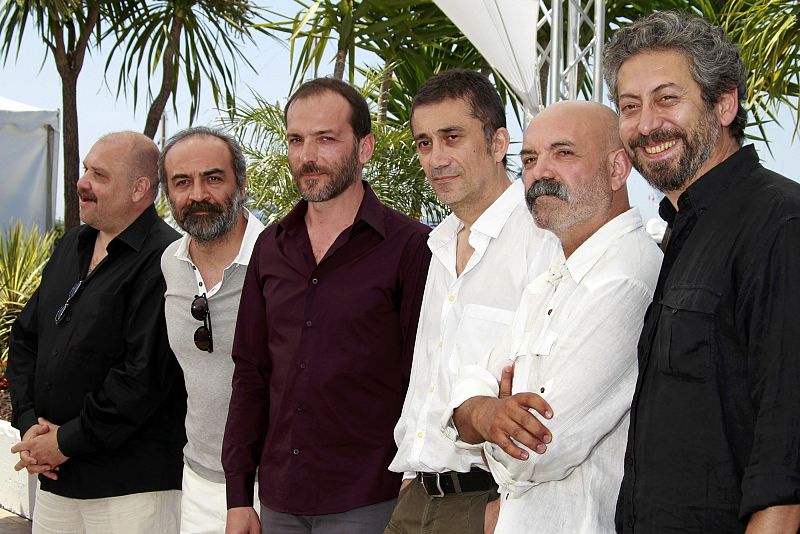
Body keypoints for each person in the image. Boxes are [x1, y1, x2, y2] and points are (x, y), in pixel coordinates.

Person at [604, 11, 800, 533]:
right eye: (629, 106)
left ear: (724, 103)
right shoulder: (681, 233)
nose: (646, 125)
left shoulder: (780, 223)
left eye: (667, 99)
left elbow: (786, 455)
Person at [222, 77, 432, 534]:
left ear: (364, 148)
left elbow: (424, 376)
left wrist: (412, 475)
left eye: (326, 139)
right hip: (279, 500)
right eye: (296, 140)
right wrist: (239, 496)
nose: (307, 156)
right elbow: (250, 375)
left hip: (371, 498)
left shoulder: (411, 247)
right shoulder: (269, 248)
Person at [448, 100, 662, 533]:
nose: (540, 171)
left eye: (563, 153)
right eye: (529, 158)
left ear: (618, 169)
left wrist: (484, 419)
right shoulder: (552, 274)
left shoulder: (627, 277)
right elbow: (472, 381)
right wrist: (483, 412)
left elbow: (536, 451)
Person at [386, 69, 558, 534]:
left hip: (488, 504)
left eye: (452, 137)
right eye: (424, 143)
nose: (436, 157)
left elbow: (554, 393)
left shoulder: (541, 239)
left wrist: (505, 512)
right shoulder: (438, 247)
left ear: (498, 143)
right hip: (415, 500)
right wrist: (410, 479)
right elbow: (428, 381)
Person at [7, 131, 185, 533]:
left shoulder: (167, 258)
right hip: (57, 481)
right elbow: (25, 338)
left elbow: (141, 378)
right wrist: (29, 423)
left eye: (99, 175)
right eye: (86, 168)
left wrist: (64, 442)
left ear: (139, 188)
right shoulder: (73, 243)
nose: (82, 181)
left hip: (130, 490)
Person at [159, 126, 265, 533]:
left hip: (271, 487)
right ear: (167, 193)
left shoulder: (281, 260)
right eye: (182, 182)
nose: (198, 195)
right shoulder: (171, 262)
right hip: (198, 479)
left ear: (241, 181)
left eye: (213, 178)